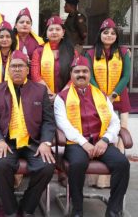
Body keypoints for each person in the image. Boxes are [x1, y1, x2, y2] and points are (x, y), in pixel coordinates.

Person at [54, 56, 129, 217]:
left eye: (84, 71)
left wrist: (106, 139)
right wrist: (84, 143)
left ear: (89, 74)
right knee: (78, 163)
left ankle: (114, 210)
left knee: (122, 163)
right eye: (77, 71)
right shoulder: (62, 97)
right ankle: (78, 209)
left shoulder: (101, 95)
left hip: (101, 141)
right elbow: (64, 125)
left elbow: (114, 122)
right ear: (71, 75)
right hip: (75, 143)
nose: (81, 74)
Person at [0, 50, 55, 217]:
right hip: (7, 142)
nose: (17, 70)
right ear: (8, 70)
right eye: (13, 66)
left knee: (47, 167)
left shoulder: (39, 90)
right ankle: (11, 210)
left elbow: (48, 121)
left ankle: (28, 206)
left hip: (33, 142)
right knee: (0, 165)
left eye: (20, 66)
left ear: (27, 69)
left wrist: (46, 142)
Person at [85, 18, 131, 188]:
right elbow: (89, 77)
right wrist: (103, 96)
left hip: (120, 99)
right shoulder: (90, 53)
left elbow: (126, 76)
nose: (109, 35)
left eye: (113, 33)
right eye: (106, 32)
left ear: (116, 36)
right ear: (100, 34)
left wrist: (113, 94)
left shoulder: (124, 52)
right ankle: (94, 178)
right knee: (99, 133)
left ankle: (112, 179)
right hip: (98, 99)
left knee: (119, 135)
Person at [31, 16, 75, 102]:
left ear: (63, 32)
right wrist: (50, 94)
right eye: (50, 30)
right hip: (44, 97)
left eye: (58, 29)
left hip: (67, 97)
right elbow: (35, 75)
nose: (54, 32)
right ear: (46, 33)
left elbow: (75, 76)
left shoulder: (72, 52)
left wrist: (60, 96)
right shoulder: (38, 51)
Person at [0, 21, 17, 86]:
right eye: (1, 37)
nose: (4, 39)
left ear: (12, 39)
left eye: (8, 36)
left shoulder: (18, 56)